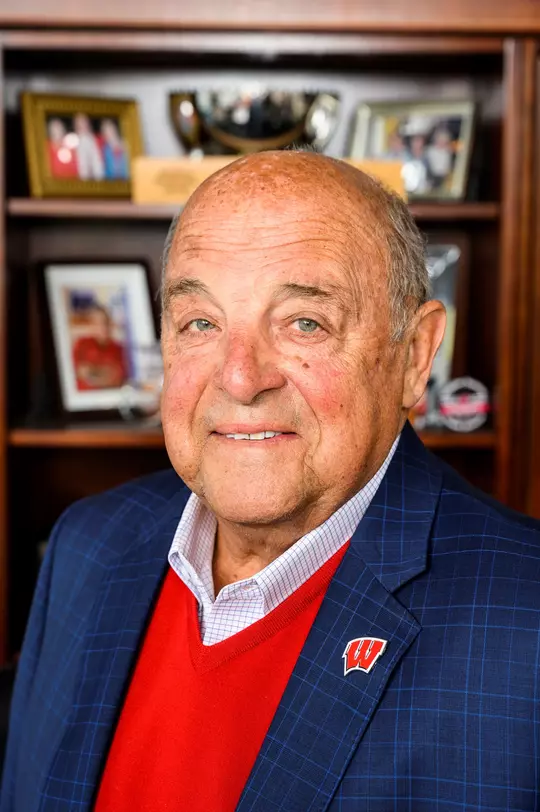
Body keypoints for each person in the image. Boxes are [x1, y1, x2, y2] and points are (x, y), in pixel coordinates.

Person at [2, 151, 540, 812]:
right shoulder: (87, 545)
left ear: (415, 355)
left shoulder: (526, 620)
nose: (239, 377)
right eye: (201, 323)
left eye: (304, 324)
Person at [71, 304, 127, 390]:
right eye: (97, 323)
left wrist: (91, 371)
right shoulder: (81, 344)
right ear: (91, 325)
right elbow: (77, 372)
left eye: (105, 322)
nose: (103, 327)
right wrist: (104, 372)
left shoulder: (119, 349)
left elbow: (117, 378)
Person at [73, 113, 104, 181]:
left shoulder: (99, 139)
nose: (82, 124)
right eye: (79, 122)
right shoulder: (72, 144)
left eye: (84, 121)